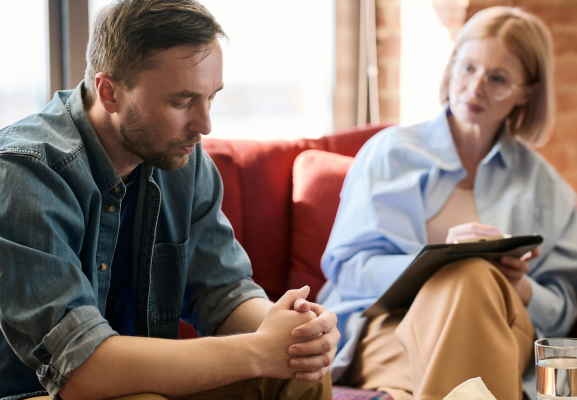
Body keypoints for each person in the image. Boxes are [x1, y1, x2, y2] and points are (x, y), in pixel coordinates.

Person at [0, 1, 340, 399]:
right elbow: (81, 369)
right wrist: (258, 352)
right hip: (34, 392)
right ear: (109, 92)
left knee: (303, 371)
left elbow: (222, 291)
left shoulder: (182, 160)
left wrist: (294, 332)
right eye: (181, 102)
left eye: (211, 97)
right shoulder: (25, 174)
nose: (205, 126)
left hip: (136, 384)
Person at [318, 6, 577, 400]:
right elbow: (348, 270)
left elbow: (564, 307)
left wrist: (519, 286)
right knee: (466, 273)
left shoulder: (546, 187)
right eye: (467, 68)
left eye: (497, 78)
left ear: (526, 92)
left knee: (475, 278)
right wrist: (438, 261)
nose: (476, 87)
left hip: (504, 324)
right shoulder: (389, 153)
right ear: (452, 65)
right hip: (389, 327)